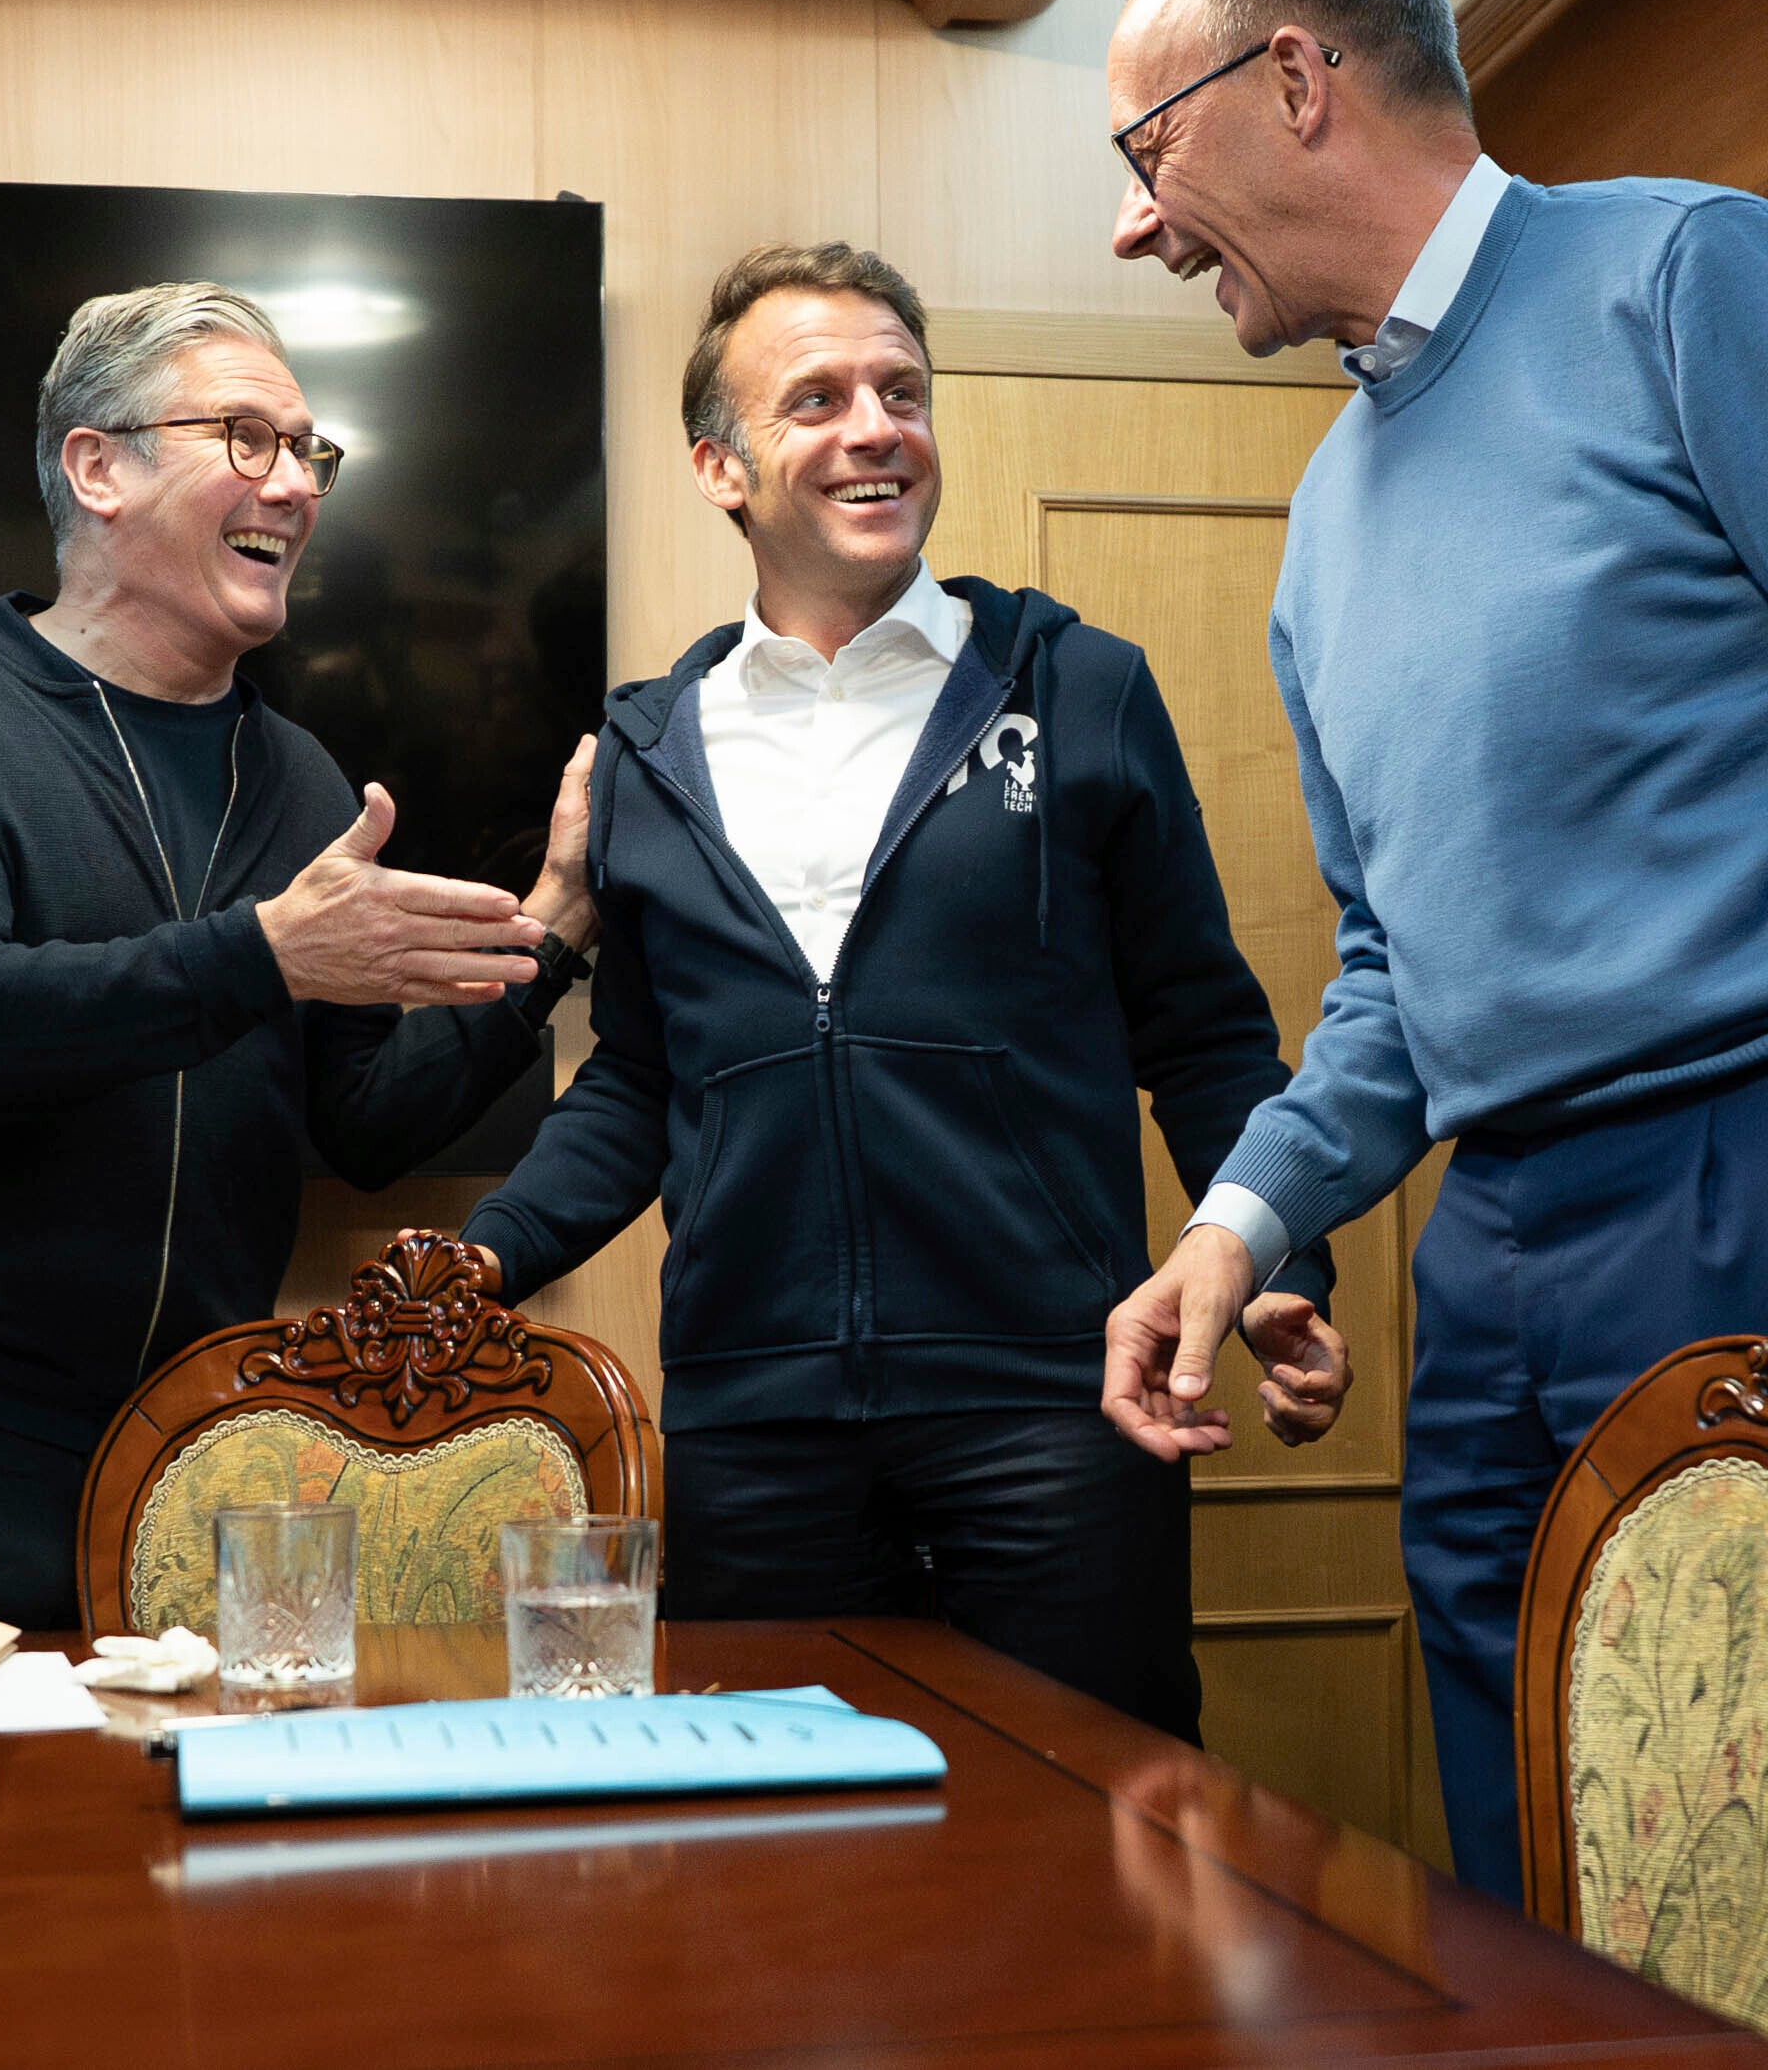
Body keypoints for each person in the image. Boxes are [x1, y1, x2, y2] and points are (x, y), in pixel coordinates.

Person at [1090, 0, 1768, 1895]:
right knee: (1532, 1884)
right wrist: (1238, 1225)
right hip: (1487, 1246)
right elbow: (1399, 977)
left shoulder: (1686, 279)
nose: (1134, 224)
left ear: (1294, 79)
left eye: (1146, 153)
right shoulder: (1321, 524)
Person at [459, 242, 1327, 1740]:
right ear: (720, 467)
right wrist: (482, 1260)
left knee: (1094, 1845)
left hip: (1056, 1409)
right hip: (754, 1432)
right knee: (784, 1879)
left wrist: (1268, 1255)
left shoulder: (1078, 686)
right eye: (818, 399)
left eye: (901, 391)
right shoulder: (650, 751)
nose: (876, 426)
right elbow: (645, 1082)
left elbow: (1201, 1025)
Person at [0, 282, 600, 1628]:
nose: (296, 486)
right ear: (100, 467)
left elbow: (367, 1120)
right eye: (246, 437)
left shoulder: (301, 775)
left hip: (191, 1452)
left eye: (308, 451)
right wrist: (264, 954)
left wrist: (551, 926)